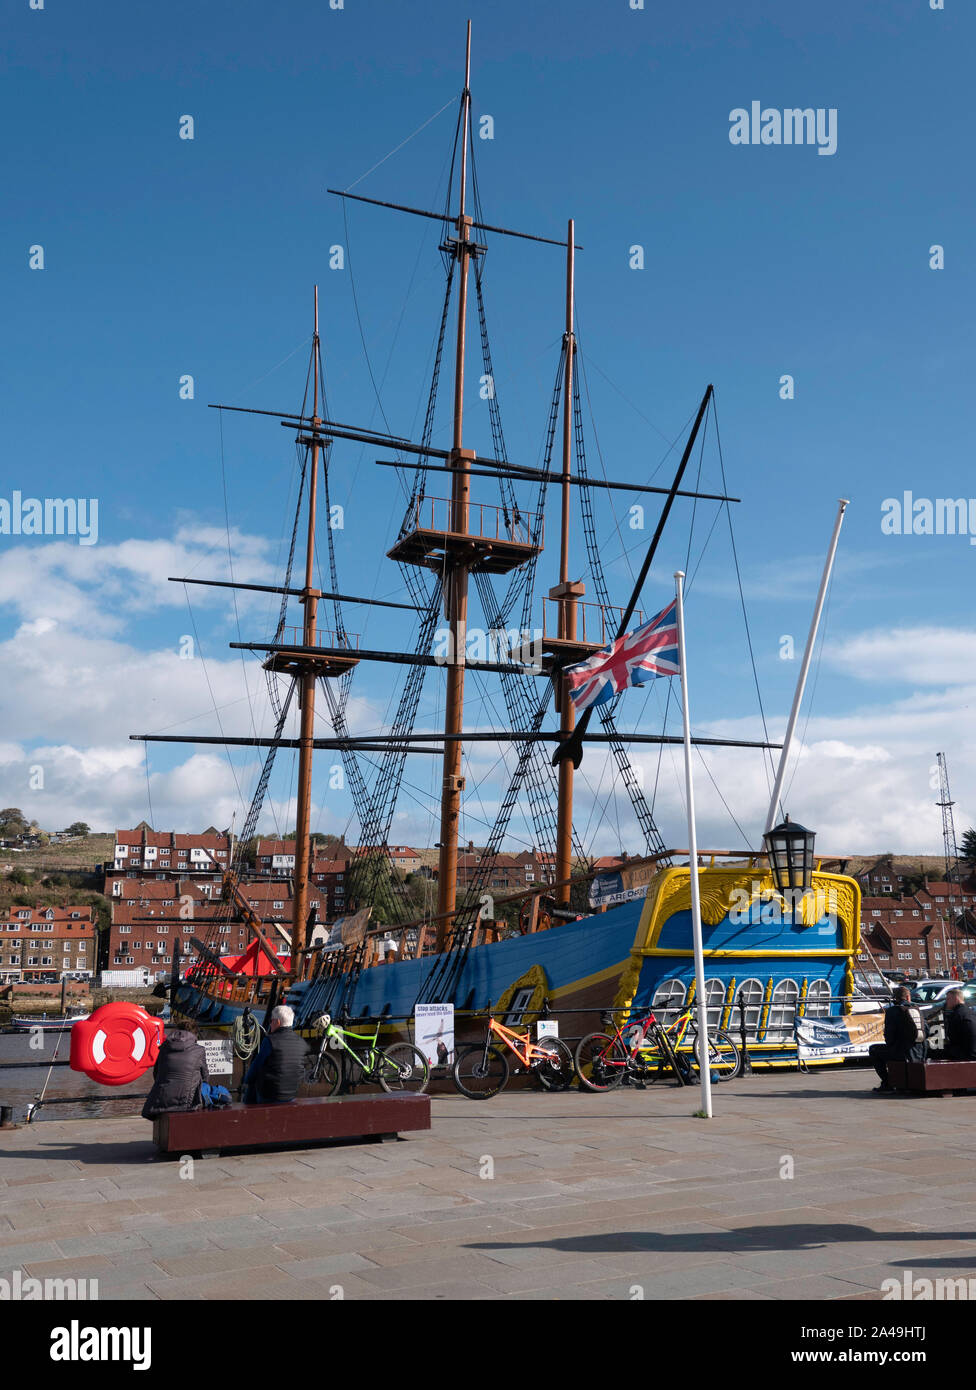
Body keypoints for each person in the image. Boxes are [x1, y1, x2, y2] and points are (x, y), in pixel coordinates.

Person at [242, 1004, 309, 1104]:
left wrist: (246, 1081)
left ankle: (247, 1115)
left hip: (270, 1096)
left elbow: (255, 1067)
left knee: (252, 1086)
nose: (270, 1024)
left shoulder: (270, 1041)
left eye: (271, 1021)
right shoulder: (301, 1041)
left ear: (277, 1022)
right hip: (291, 1094)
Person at [141, 1027, 209, 1119]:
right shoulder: (199, 1050)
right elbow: (205, 1077)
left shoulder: (164, 1048)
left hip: (160, 1101)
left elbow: (156, 1073)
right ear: (194, 1035)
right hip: (187, 1103)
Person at [867, 985, 925, 1093]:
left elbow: (889, 1035)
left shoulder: (892, 1011)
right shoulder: (917, 1009)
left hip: (901, 1053)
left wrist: (892, 1046)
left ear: (895, 999)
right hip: (919, 1052)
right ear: (908, 998)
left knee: (874, 1050)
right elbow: (926, 1029)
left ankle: (887, 1083)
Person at [942, 989, 976, 1060]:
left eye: (948, 999)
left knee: (935, 1051)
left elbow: (952, 1038)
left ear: (956, 999)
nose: (946, 1001)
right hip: (972, 1052)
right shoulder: (970, 1012)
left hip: (966, 1054)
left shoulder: (957, 1014)